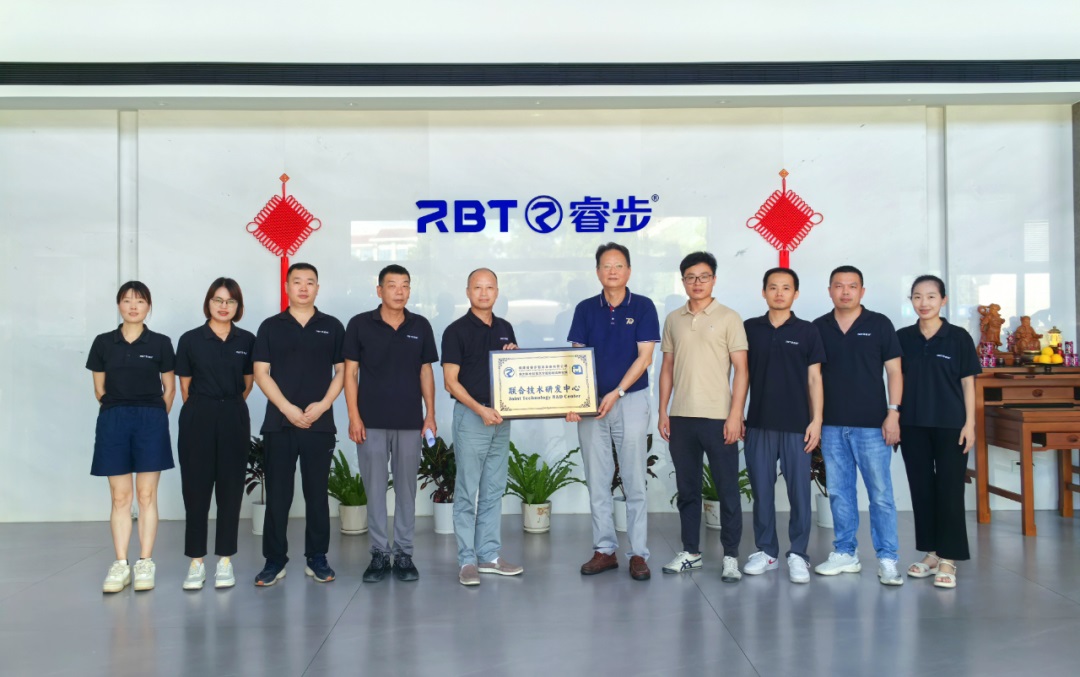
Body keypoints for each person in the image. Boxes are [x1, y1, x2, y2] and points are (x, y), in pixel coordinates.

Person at [567, 243, 660, 582]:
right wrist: (577, 400)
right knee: (598, 479)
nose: (613, 271)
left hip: (630, 399)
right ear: (597, 272)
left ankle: (638, 553)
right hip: (592, 405)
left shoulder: (644, 306)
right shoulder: (585, 309)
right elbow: (577, 359)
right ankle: (604, 549)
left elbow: (645, 357)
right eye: (606, 266)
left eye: (619, 265)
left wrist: (617, 392)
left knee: (634, 480)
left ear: (629, 271)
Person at [251, 263, 345, 586]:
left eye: (310, 282)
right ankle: (274, 560)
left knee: (317, 494)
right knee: (278, 495)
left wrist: (323, 405)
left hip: (319, 424)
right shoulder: (270, 326)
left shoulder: (332, 326)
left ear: (318, 288)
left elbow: (343, 371)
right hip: (280, 423)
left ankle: (317, 558)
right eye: (297, 282)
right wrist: (287, 409)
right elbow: (261, 373)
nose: (304, 288)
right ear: (287, 287)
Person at [344, 264, 438, 583]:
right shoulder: (360, 324)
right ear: (379, 290)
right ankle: (379, 554)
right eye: (392, 285)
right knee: (374, 489)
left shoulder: (420, 325)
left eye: (405, 285)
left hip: (410, 421)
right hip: (370, 422)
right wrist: (354, 416)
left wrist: (430, 414)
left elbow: (426, 371)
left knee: (406, 489)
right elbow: (350, 373)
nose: (400, 291)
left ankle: (404, 553)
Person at [658, 252, 748, 582]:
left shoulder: (729, 317)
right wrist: (663, 410)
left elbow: (742, 370)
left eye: (704, 276)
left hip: (719, 417)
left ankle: (731, 556)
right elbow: (667, 368)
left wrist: (735, 414)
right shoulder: (673, 319)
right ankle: (691, 552)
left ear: (714, 279)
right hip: (681, 417)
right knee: (688, 490)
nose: (697, 283)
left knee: (727, 489)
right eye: (691, 277)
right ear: (683, 281)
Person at [811, 265, 905, 586]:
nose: (845, 291)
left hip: (872, 426)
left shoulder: (879, 324)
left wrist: (893, 413)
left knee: (881, 495)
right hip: (832, 426)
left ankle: (888, 558)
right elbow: (813, 379)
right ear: (830, 291)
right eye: (839, 286)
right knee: (839, 492)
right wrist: (816, 420)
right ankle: (845, 552)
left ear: (862, 291)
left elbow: (895, 371)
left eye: (852, 286)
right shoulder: (819, 327)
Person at [86, 281, 176, 593]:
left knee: (147, 495)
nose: (133, 306)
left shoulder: (161, 343)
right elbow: (99, 389)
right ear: (118, 305)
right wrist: (119, 411)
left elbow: (169, 389)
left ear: (149, 306)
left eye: (140, 301)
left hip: (151, 420)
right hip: (114, 420)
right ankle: (121, 564)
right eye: (127, 300)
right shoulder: (103, 343)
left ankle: (145, 562)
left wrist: (154, 418)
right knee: (120, 497)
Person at [441, 268, 524, 586]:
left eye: (490, 287)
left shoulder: (505, 328)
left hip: (501, 419)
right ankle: (467, 560)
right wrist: (480, 410)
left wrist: (514, 358)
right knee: (467, 491)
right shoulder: (456, 331)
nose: (484, 293)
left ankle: (489, 555)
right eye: (478, 287)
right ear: (468, 292)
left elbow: (513, 373)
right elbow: (450, 381)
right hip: (472, 418)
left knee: (492, 490)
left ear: (497, 292)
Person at [896, 275, 980, 589]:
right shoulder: (902, 337)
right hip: (912, 424)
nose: (924, 303)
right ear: (911, 301)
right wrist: (894, 416)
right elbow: (895, 379)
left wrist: (970, 424)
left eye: (931, 296)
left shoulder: (958, 337)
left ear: (943, 300)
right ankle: (931, 553)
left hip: (951, 425)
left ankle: (949, 558)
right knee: (921, 489)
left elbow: (968, 383)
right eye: (917, 296)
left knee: (949, 490)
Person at [742, 268, 824, 584]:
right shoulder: (750, 328)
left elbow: (815, 379)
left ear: (795, 293)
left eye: (786, 288)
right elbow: (741, 375)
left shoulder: (807, 331)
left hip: (797, 426)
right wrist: (736, 414)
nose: (779, 293)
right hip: (759, 424)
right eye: (773, 287)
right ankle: (767, 552)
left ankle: (798, 554)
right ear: (763, 292)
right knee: (762, 492)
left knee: (799, 493)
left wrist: (816, 421)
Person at [175, 278, 255, 590]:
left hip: (234, 415)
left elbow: (248, 383)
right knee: (195, 491)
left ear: (238, 306)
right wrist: (206, 408)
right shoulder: (190, 340)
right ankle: (196, 562)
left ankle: (225, 561)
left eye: (230, 301)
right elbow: (185, 388)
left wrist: (227, 406)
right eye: (218, 300)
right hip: (198, 416)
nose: (224, 306)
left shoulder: (246, 339)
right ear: (208, 302)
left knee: (230, 490)